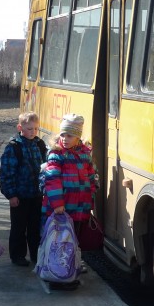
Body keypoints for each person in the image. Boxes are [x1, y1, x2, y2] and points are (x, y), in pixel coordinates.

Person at [41, 114, 98, 288]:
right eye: (63, 135)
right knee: (60, 241)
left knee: (74, 239)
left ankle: (71, 265)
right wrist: (58, 204)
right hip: (61, 209)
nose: (65, 139)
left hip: (80, 207)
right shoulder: (56, 154)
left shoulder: (85, 154)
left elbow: (91, 176)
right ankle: (56, 273)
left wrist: (92, 190)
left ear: (78, 136)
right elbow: (52, 179)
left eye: (70, 135)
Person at [0, 111, 47, 267]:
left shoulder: (40, 144)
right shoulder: (14, 147)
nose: (33, 132)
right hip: (20, 195)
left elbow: (46, 166)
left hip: (37, 195)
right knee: (19, 227)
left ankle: (36, 253)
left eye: (35, 128)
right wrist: (11, 194)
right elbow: (7, 173)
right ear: (20, 128)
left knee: (35, 226)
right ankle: (18, 255)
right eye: (29, 129)